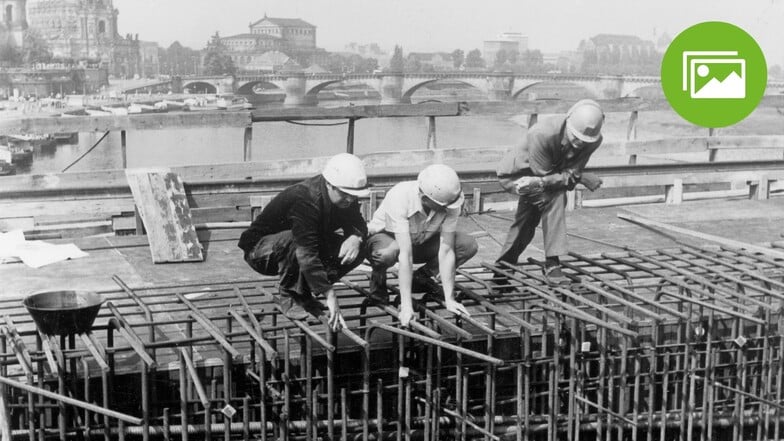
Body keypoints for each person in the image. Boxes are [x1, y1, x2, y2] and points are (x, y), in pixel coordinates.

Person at [238, 153, 370, 330]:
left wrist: (356, 237)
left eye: (354, 196)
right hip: (261, 251)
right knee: (294, 241)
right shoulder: (306, 198)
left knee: (362, 247)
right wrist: (330, 294)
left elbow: (358, 223)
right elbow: (306, 251)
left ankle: (306, 289)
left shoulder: (345, 196)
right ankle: (290, 293)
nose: (350, 200)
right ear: (329, 184)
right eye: (346, 195)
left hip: (299, 247)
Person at [495, 99, 605, 285]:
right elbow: (546, 179)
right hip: (519, 175)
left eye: (584, 141)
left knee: (526, 221)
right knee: (554, 197)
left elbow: (570, 175)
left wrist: (577, 176)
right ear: (568, 124)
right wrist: (581, 177)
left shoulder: (594, 141)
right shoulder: (542, 134)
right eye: (576, 137)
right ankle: (552, 262)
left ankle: (502, 269)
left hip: (546, 177)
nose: (579, 144)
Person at [365, 164, 478, 326]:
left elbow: (446, 250)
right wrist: (406, 306)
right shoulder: (400, 196)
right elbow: (405, 254)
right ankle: (378, 283)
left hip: (420, 241)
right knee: (388, 253)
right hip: (387, 240)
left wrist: (449, 298)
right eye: (442, 206)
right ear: (425, 199)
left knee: (467, 244)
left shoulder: (450, 202)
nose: (446, 209)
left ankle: (421, 278)